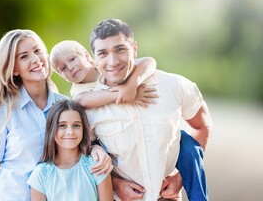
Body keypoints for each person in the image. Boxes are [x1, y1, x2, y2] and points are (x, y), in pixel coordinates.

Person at [0, 29, 112, 201]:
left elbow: (84, 149)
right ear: (14, 69)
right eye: (24, 56)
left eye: (38, 50)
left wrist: (97, 148)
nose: (35, 59)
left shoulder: (68, 107)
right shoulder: (5, 110)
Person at [84, 19, 213, 201]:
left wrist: (180, 177)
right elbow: (79, 157)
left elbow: (202, 126)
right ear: (94, 58)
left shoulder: (173, 85)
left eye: (120, 49)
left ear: (134, 49)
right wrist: (115, 184)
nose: (112, 61)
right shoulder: (87, 109)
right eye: (103, 53)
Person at [27, 99, 113, 201]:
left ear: (83, 129)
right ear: (52, 129)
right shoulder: (41, 174)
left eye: (76, 125)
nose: (70, 132)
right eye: (62, 125)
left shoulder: (97, 166)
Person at [50, 40, 158, 109]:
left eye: (72, 59)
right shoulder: (78, 90)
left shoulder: (105, 65)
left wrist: (131, 85)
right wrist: (123, 93)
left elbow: (149, 61)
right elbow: (82, 101)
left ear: (87, 57)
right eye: (63, 68)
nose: (70, 67)